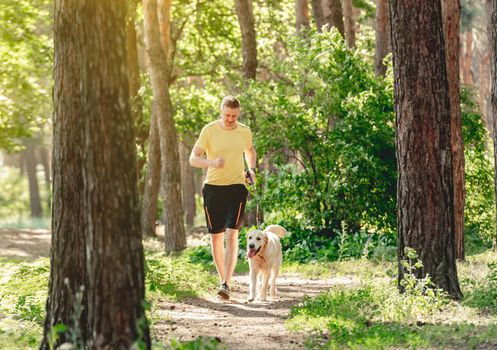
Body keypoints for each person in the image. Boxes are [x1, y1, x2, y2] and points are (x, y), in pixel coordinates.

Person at [189, 96, 257, 300]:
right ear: (221, 112)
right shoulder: (209, 130)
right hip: (213, 189)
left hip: (237, 187)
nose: (230, 119)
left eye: (234, 116)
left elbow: (250, 151)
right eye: (227, 115)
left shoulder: (244, 131)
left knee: (231, 234)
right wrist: (211, 162)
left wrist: (251, 169)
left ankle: (226, 282)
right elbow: (193, 159)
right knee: (216, 236)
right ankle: (223, 281)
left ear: (239, 114)